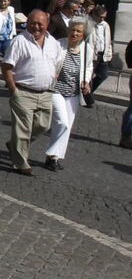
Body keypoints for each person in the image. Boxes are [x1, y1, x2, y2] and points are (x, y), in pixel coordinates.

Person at [0, 10, 64, 176]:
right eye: (32, 23)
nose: (36, 27)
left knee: (43, 125)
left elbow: (57, 63)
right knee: (23, 129)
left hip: (46, 93)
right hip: (23, 92)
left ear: (47, 24)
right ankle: (21, 164)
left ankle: (14, 145)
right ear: (27, 23)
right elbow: (6, 66)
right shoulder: (19, 41)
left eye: (40, 24)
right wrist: (13, 89)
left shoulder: (53, 43)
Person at [44, 17, 93, 170]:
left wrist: (86, 81)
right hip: (57, 90)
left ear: (84, 34)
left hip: (73, 93)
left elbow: (88, 67)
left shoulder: (87, 49)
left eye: (78, 31)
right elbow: (49, 61)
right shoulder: (59, 44)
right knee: (62, 122)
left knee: (67, 127)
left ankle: (54, 158)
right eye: (72, 29)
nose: (74, 33)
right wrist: (52, 72)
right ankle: (51, 154)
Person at [88, 6, 113, 103]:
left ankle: (88, 92)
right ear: (94, 15)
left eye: (104, 17)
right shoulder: (89, 24)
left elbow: (108, 40)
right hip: (92, 54)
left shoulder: (106, 25)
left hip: (103, 54)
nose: (102, 19)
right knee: (88, 76)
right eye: (100, 17)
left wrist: (109, 53)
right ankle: (87, 97)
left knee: (103, 74)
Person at [0, 0, 16, 66]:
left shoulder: (11, 9)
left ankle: (6, 70)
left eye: (5, 1)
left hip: (8, 37)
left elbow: (13, 21)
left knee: (7, 55)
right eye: (1, 1)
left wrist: (14, 34)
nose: (3, 3)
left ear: (9, 2)